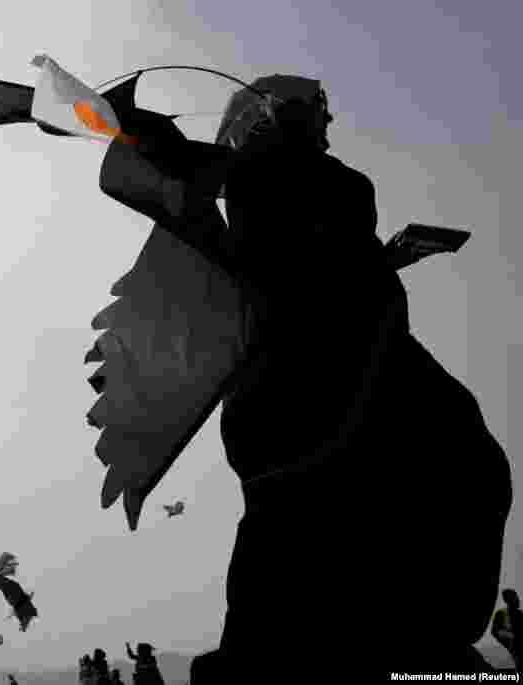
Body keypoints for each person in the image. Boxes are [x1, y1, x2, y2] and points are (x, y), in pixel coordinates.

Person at [98, 74, 511, 679]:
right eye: (317, 109)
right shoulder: (250, 169)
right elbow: (173, 162)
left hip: (368, 355)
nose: (328, 121)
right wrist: (89, 111)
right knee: (304, 520)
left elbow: (331, 254)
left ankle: (415, 643)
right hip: (303, 374)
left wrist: (388, 256)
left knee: (459, 474)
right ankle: (300, 659)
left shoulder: (295, 173)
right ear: (274, 113)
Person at [492, 589, 523, 669]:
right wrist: (511, 639)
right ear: (508, 600)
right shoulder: (502, 614)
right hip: (516, 650)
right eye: (515, 597)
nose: (518, 600)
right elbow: (495, 631)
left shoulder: (520, 614)